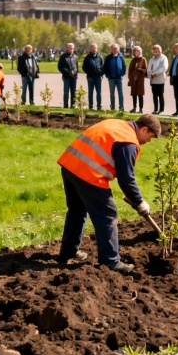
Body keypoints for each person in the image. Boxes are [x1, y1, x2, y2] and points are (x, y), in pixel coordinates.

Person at [56, 114, 162, 273]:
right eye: (150, 137)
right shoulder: (128, 142)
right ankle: (110, 262)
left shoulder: (117, 124)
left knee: (77, 210)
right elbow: (126, 178)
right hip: (88, 173)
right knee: (107, 214)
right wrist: (140, 202)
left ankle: (68, 251)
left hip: (70, 165)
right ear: (144, 129)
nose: (148, 142)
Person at [104, 44, 127, 111]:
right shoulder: (108, 57)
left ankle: (121, 106)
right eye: (113, 48)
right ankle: (112, 107)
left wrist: (122, 73)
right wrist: (107, 75)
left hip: (119, 78)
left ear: (118, 49)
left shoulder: (121, 57)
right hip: (111, 78)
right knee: (112, 93)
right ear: (111, 49)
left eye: (116, 48)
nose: (114, 50)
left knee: (120, 93)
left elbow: (124, 66)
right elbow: (105, 67)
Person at [82, 43, 104, 110]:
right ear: (90, 49)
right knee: (90, 93)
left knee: (98, 93)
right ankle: (90, 106)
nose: (94, 49)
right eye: (92, 48)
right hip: (90, 78)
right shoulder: (87, 58)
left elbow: (103, 66)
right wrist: (88, 72)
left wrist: (101, 73)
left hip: (98, 78)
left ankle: (99, 106)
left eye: (95, 48)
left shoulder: (100, 57)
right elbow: (84, 67)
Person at [147, 44, 168, 114]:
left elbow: (164, 68)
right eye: (154, 50)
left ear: (160, 50)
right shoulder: (151, 59)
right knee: (154, 95)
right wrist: (151, 74)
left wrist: (155, 73)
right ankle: (156, 109)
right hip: (153, 80)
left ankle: (161, 110)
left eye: (157, 49)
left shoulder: (163, 58)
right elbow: (149, 69)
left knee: (160, 95)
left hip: (160, 80)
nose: (156, 51)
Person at [57, 42, 79, 108]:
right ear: (67, 48)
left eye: (72, 48)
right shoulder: (63, 56)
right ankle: (65, 105)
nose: (71, 49)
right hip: (66, 77)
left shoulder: (75, 56)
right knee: (66, 92)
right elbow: (60, 67)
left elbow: (76, 67)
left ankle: (73, 104)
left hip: (74, 77)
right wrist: (68, 72)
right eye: (70, 48)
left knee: (73, 92)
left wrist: (75, 72)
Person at [128, 46, 148, 113]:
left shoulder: (143, 59)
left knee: (140, 93)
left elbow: (146, 70)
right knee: (134, 93)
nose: (136, 52)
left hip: (140, 79)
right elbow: (130, 70)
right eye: (134, 51)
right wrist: (130, 78)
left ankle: (141, 109)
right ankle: (134, 108)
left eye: (137, 51)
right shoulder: (133, 60)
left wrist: (141, 70)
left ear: (140, 52)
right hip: (134, 79)